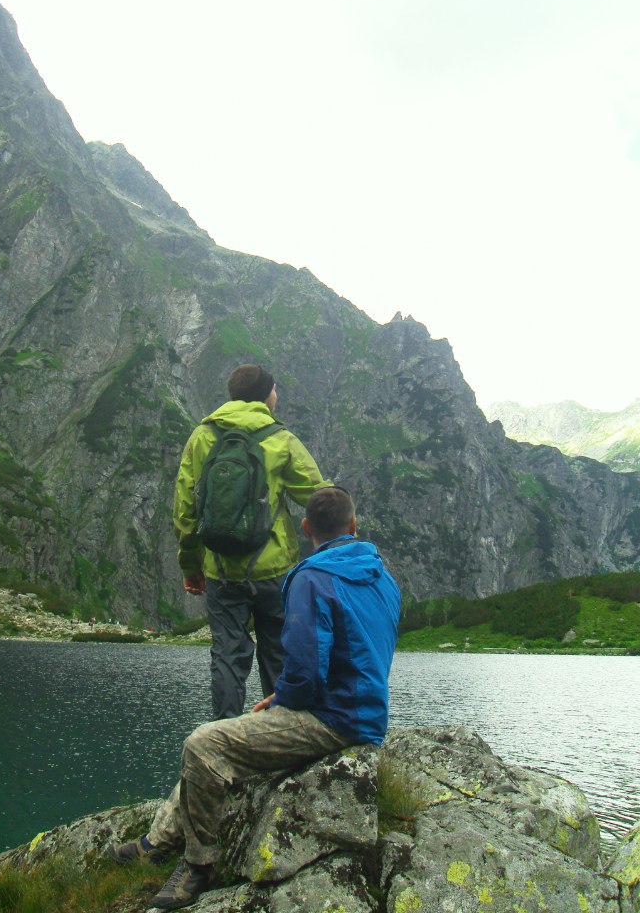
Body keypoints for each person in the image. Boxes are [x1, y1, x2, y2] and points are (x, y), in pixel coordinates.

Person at [110, 487, 402, 911]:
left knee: (204, 744)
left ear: (305, 528)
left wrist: (284, 696)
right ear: (353, 526)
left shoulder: (311, 577)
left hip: (333, 720)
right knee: (226, 738)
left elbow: (304, 672)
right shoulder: (382, 576)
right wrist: (288, 694)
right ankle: (157, 840)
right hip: (367, 713)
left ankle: (198, 864)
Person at [173, 364, 332, 719]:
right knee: (278, 651)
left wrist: (191, 565)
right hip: (275, 569)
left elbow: (186, 508)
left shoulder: (202, 436)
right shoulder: (280, 439)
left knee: (227, 654)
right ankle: (278, 734)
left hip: (220, 569)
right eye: (275, 390)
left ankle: (224, 737)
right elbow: (318, 497)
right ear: (267, 394)